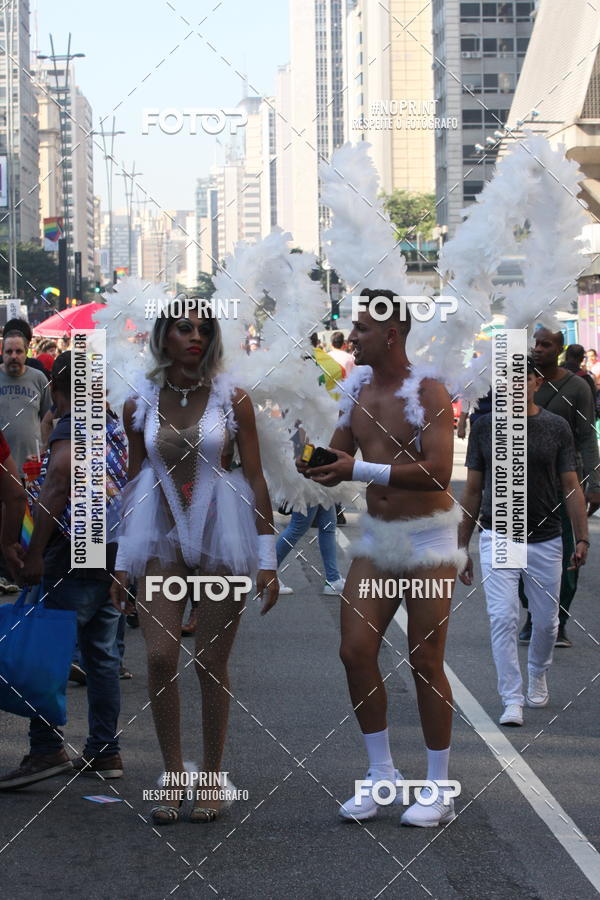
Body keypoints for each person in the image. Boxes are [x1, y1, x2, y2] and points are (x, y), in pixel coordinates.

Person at [111, 300, 279, 825]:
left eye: (204, 330)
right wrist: (120, 560)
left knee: (210, 663)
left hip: (221, 539)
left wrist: (267, 557)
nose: (195, 338)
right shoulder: (138, 403)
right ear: (163, 336)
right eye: (184, 328)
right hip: (158, 539)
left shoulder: (234, 400)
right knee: (160, 658)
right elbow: (135, 483)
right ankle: (171, 775)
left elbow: (254, 477)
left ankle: (210, 776)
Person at [301, 289, 464, 827]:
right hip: (377, 537)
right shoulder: (355, 388)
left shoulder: (429, 389)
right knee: (354, 650)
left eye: (362, 330)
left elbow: (439, 470)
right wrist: (300, 460)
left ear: (391, 333)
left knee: (424, 660)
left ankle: (439, 789)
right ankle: (381, 775)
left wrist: (358, 471)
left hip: (428, 539)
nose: (352, 338)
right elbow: (337, 453)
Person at [0, 353, 125, 790]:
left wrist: (32, 554)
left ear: (56, 390)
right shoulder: (111, 422)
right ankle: (104, 750)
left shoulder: (71, 424)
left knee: (46, 652)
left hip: (72, 548)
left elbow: (57, 481)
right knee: (102, 655)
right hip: (108, 547)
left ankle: (45, 749)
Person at [458, 357, 588, 726]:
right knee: (502, 617)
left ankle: (538, 671)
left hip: (546, 539)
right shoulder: (485, 428)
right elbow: (471, 490)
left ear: (536, 382)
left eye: (523, 378)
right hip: (498, 533)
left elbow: (570, 486)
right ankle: (511, 698)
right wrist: (460, 546)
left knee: (546, 624)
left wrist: (582, 538)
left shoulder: (556, 427)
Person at [518, 328, 600, 648]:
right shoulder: (521, 382)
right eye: (535, 344)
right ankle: (532, 615)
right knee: (521, 553)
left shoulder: (577, 387)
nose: (538, 349)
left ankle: (558, 619)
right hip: (524, 485)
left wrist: (595, 482)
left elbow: (586, 438)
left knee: (566, 553)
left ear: (559, 349)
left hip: (566, 485)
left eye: (545, 344)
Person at [0, 330, 52, 473]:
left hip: (31, 466)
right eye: (9, 352)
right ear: (2, 352)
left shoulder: (39, 379)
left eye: (19, 351)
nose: (14, 356)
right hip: (2, 468)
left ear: (26, 352)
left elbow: (49, 419)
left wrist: (44, 450)